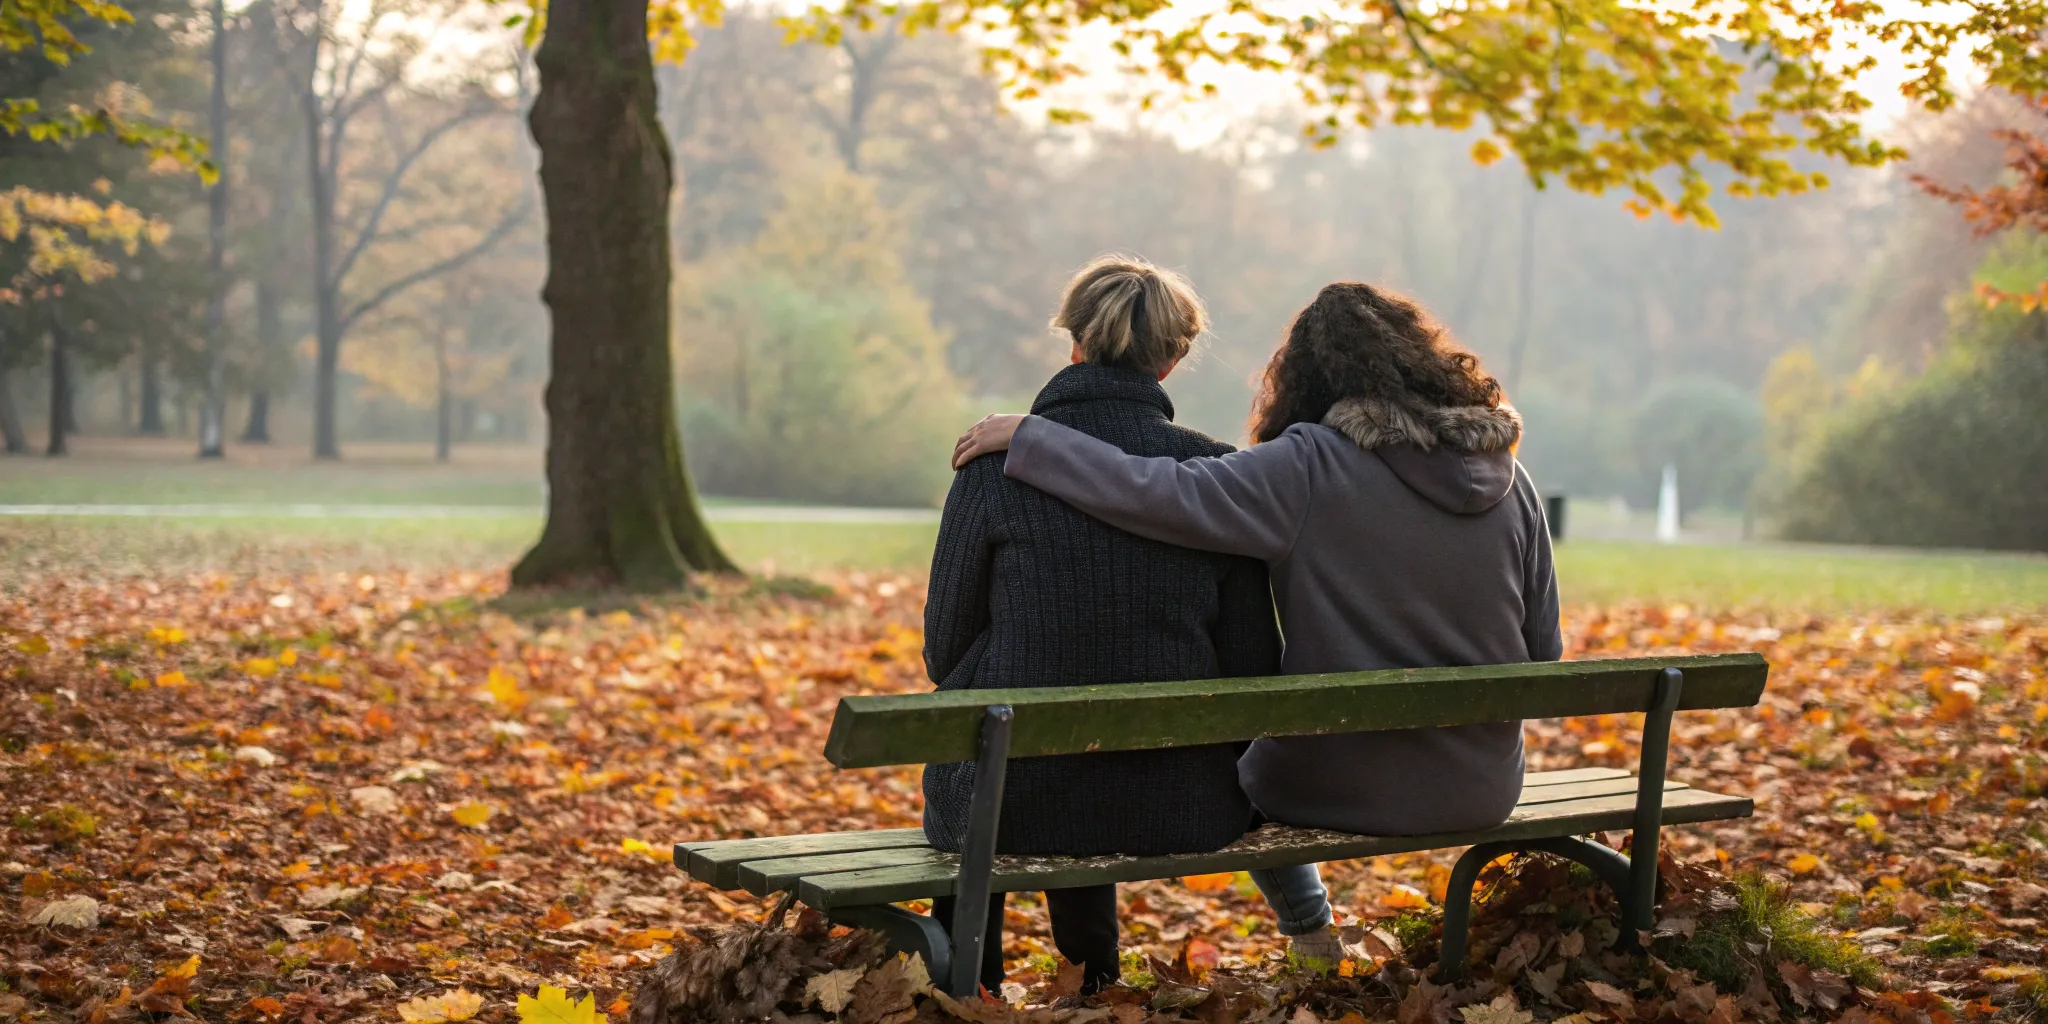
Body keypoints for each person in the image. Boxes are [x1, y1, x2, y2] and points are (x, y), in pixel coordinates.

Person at [948, 281, 1562, 964]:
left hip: (1343, 786)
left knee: (1238, 767)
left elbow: (1166, 492)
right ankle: (1311, 936)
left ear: (1302, 376)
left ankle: (1311, 931)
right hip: (1483, 787)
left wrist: (1034, 438)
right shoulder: (1514, 479)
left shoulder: (1308, 465)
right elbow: (1545, 648)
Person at [922, 255, 1282, 994]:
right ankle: (1096, 989)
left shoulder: (994, 467)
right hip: (1182, 803)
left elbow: (943, 649)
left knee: (1002, 773)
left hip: (1011, 803)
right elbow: (1252, 663)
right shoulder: (1216, 476)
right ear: (1174, 360)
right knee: (1074, 773)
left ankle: (969, 993)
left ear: (1074, 342)